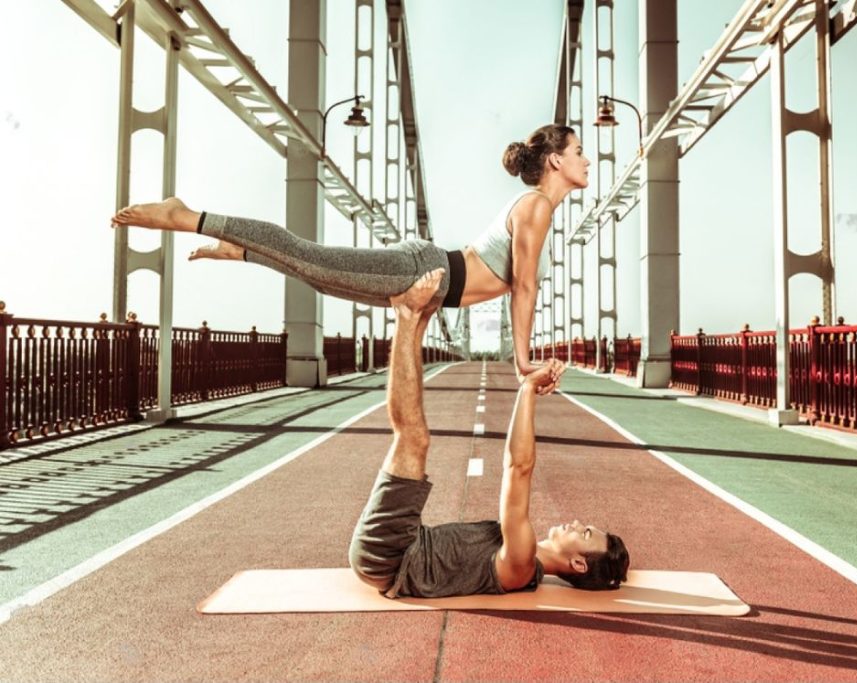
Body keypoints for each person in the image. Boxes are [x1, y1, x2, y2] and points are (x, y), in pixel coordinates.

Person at [110, 124, 589, 385]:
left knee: (318, 276)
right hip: (426, 269)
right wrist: (522, 360)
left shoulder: (536, 207)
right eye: (579, 151)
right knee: (309, 255)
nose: (587, 160)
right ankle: (188, 215)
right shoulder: (536, 207)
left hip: (432, 284)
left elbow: (511, 286)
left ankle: (243, 251)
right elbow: (522, 287)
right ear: (555, 160)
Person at [346, 268, 629, 598]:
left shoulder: (522, 563)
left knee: (414, 440)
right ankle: (417, 318)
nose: (579, 523)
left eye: (586, 533)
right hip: (405, 543)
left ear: (579, 564)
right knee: (414, 440)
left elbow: (518, 468)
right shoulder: (523, 554)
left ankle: (407, 313)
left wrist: (528, 390)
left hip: (391, 555)